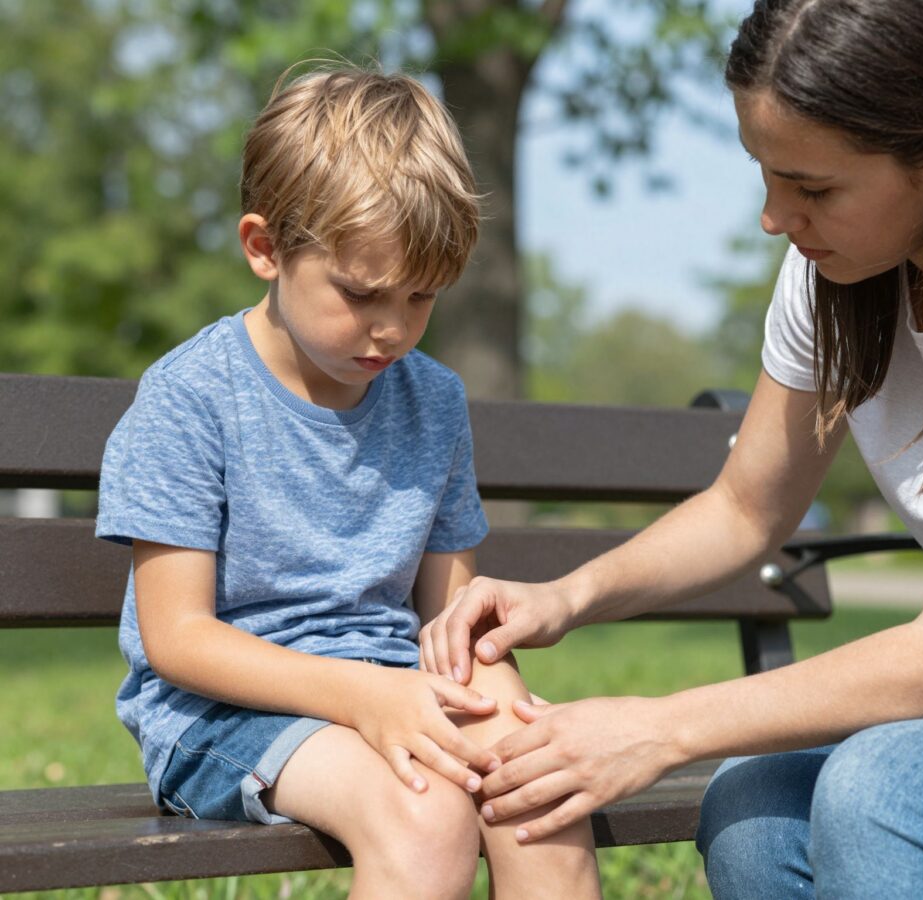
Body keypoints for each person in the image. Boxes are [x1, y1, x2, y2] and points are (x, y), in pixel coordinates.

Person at [419, 0, 923, 896]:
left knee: (894, 794)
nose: (773, 216)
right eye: (766, 175)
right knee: (758, 811)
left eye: (813, 187)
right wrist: (566, 597)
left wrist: (659, 727)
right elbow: (746, 507)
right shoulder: (835, 276)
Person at [96, 66, 601, 900]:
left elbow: (450, 617)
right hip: (222, 713)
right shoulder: (193, 397)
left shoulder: (431, 398)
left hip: (395, 681)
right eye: (361, 292)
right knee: (423, 810)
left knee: (539, 790)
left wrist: (508, 716)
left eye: (423, 296)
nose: (393, 328)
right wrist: (365, 693)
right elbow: (177, 639)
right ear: (265, 248)